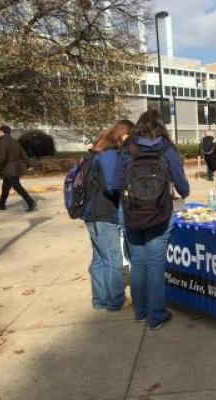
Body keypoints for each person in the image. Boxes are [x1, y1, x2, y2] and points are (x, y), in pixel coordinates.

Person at [113, 109, 190, 329]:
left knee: (137, 262)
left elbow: (116, 184)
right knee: (156, 263)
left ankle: (140, 312)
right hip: (159, 213)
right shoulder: (166, 148)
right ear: (161, 126)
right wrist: (182, 192)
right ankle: (156, 316)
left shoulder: (128, 148)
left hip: (132, 213)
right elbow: (181, 184)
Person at [82, 120, 133, 311]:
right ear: (123, 135)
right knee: (113, 259)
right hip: (104, 214)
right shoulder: (110, 155)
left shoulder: (96, 153)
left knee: (99, 259)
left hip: (90, 214)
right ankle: (115, 300)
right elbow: (112, 185)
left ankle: (99, 299)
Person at [0, 125, 37, 211]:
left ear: (2, 132)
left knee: (17, 187)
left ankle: (31, 202)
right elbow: (23, 153)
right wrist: (29, 164)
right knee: (5, 187)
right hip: (14, 168)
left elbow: (1, 158)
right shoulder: (14, 141)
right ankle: (1, 205)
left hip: (8, 169)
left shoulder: (2, 141)